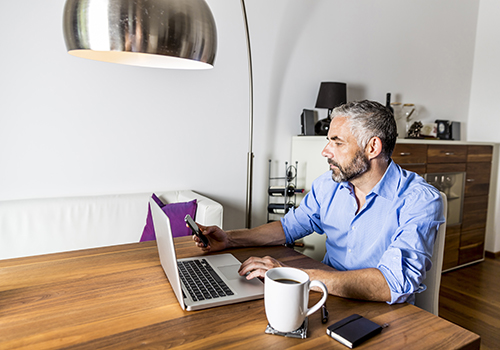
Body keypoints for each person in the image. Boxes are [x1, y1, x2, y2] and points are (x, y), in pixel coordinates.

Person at [194, 100, 444, 304]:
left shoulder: (419, 200)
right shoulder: (329, 184)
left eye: (337, 142)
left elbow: (392, 285)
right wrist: (231, 238)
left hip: (382, 315)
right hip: (327, 296)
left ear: (373, 147)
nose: (326, 150)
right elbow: (289, 227)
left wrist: (291, 275)